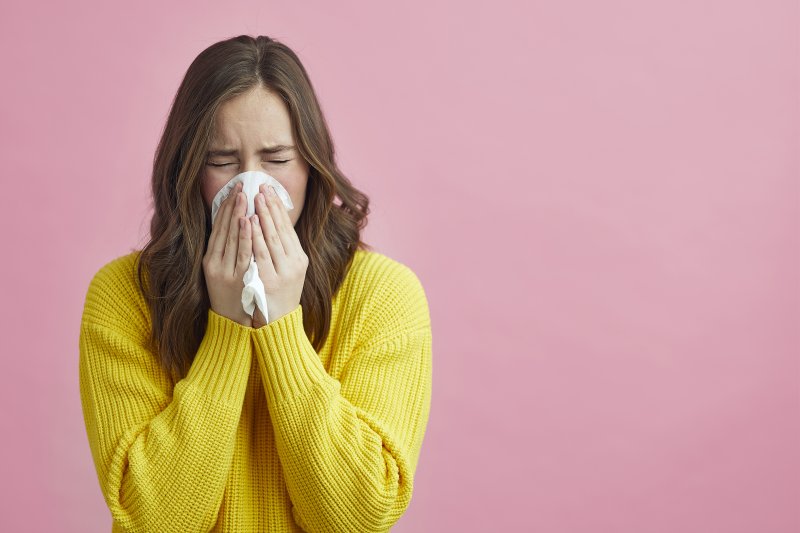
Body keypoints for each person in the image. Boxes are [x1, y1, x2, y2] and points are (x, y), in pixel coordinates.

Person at [78, 34, 432, 533]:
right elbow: (152, 520)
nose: (248, 188)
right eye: (221, 161)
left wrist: (282, 326)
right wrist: (226, 326)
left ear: (312, 164)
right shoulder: (123, 296)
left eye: (277, 160)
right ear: (186, 168)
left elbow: (360, 517)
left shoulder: (383, 295)